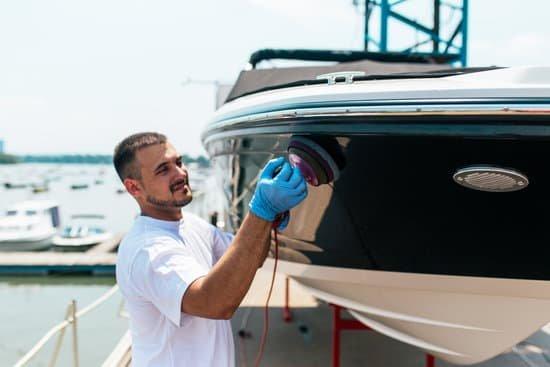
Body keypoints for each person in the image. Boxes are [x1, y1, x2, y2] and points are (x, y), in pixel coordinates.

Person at [114, 132, 307, 367]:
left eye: (178, 162)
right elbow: (214, 303)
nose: (180, 174)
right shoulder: (148, 250)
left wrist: (268, 221)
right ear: (134, 187)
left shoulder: (192, 225)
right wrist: (261, 210)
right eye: (163, 170)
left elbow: (250, 257)